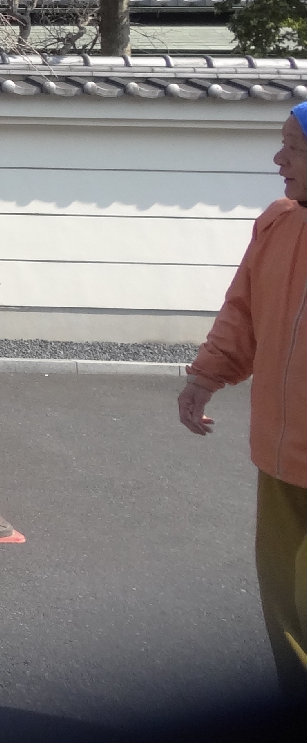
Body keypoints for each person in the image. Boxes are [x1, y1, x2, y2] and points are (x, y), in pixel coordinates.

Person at [182, 101, 307, 701]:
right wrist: (206, 376)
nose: (279, 159)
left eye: (295, 147)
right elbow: (244, 311)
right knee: (285, 603)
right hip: (281, 459)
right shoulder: (279, 223)